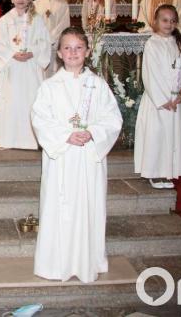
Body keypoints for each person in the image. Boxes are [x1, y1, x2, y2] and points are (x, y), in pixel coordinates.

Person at [31, 27, 123, 283]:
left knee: (88, 206)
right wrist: (65, 135)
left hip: (87, 159)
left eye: (78, 47)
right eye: (67, 48)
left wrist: (92, 132)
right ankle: (54, 263)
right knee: (59, 208)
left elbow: (112, 118)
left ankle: (88, 260)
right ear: (59, 53)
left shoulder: (98, 85)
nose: (73, 52)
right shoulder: (49, 86)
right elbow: (40, 118)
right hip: (61, 158)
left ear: (88, 51)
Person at [134, 4, 181, 189]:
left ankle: (169, 171)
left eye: (172, 20)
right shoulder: (151, 44)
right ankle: (155, 173)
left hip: (176, 101)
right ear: (155, 22)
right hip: (158, 103)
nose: (169, 24)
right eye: (164, 20)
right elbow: (150, 74)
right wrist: (164, 100)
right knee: (157, 136)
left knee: (172, 137)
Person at [0, 0, 50, 150]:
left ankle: (31, 140)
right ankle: (10, 139)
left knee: (31, 101)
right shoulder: (5, 20)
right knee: (12, 102)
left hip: (31, 66)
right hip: (13, 67)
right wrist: (12, 54)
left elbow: (45, 41)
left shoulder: (36, 19)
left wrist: (33, 52)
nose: (20, 0)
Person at [34, 0, 70, 78]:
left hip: (56, 44)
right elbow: (34, 24)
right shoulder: (35, 4)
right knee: (42, 74)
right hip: (41, 44)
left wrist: (51, 38)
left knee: (56, 72)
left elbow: (64, 24)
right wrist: (44, 38)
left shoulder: (63, 4)